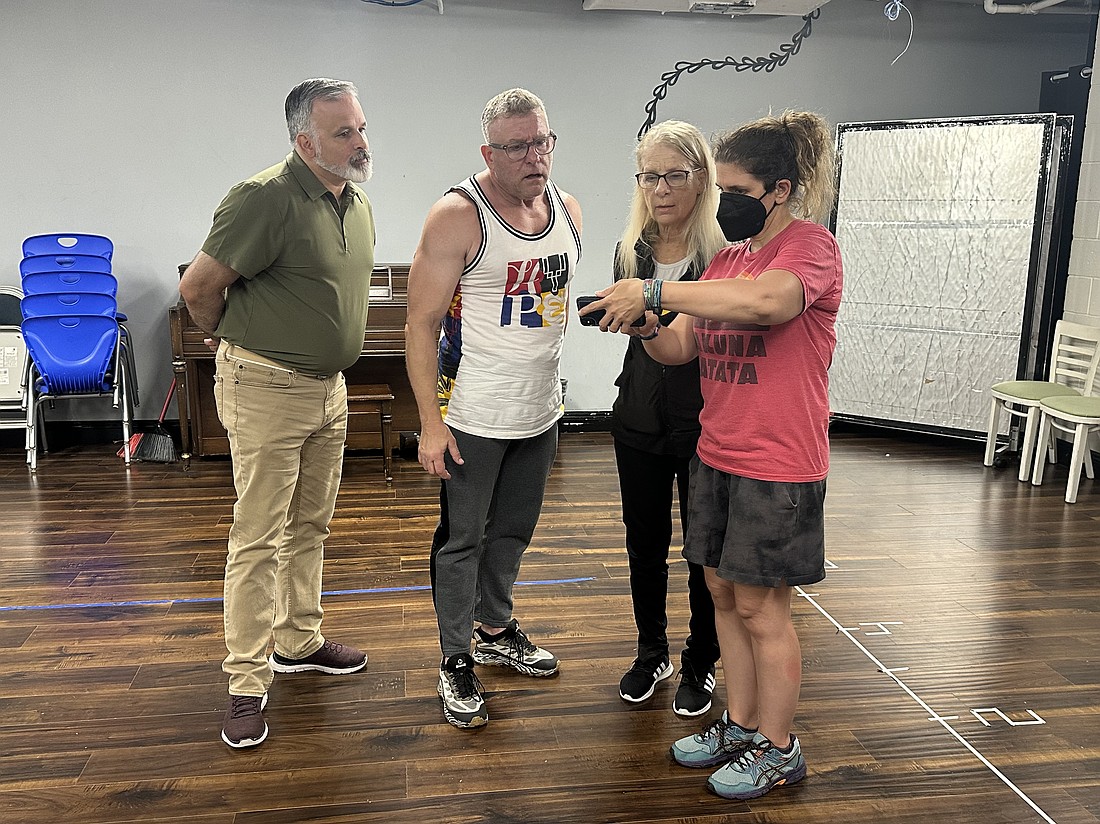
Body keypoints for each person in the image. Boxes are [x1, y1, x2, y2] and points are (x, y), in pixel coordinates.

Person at [583, 111, 840, 800]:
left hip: (776, 464)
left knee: (763, 609)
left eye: (733, 187)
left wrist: (658, 291)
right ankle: (742, 723)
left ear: (779, 189)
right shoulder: (728, 259)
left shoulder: (810, 249)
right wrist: (641, 323)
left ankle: (780, 748)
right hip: (717, 454)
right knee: (725, 595)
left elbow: (768, 306)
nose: (722, 201)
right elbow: (680, 347)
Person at [179, 78, 376, 749]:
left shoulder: (352, 201)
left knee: (310, 524)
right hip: (266, 387)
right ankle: (246, 682)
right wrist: (227, 341)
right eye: (343, 132)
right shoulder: (264, 197)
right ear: (304, 140)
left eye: (360, 127)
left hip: (329, 390)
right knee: (259, 536)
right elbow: (198, 289)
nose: (360, 142)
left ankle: (298, 640)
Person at [405, 88, 582, 729]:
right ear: (488, 151)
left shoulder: (569, 210)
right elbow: (420, 325)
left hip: (539, 411)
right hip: (472, 414)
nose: (534, 156)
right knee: (462, 541)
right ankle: (456, 659)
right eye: (516, 146)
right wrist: (429, 423)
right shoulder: (458, 215)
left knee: (513, 532)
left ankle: (495, 626)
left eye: (542, 141)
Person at [608, 121, 724, 716]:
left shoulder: (724, 255)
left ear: (702, 179)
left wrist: (651, 318)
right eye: (649, 177)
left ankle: (701, 661)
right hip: (638, 418)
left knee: (702, 549)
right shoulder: (633, 250)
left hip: (707, 421)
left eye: (674, 175)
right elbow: (643, 339)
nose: (660, 189)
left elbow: (687, 344)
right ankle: (651, 650)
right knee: (644, 543)